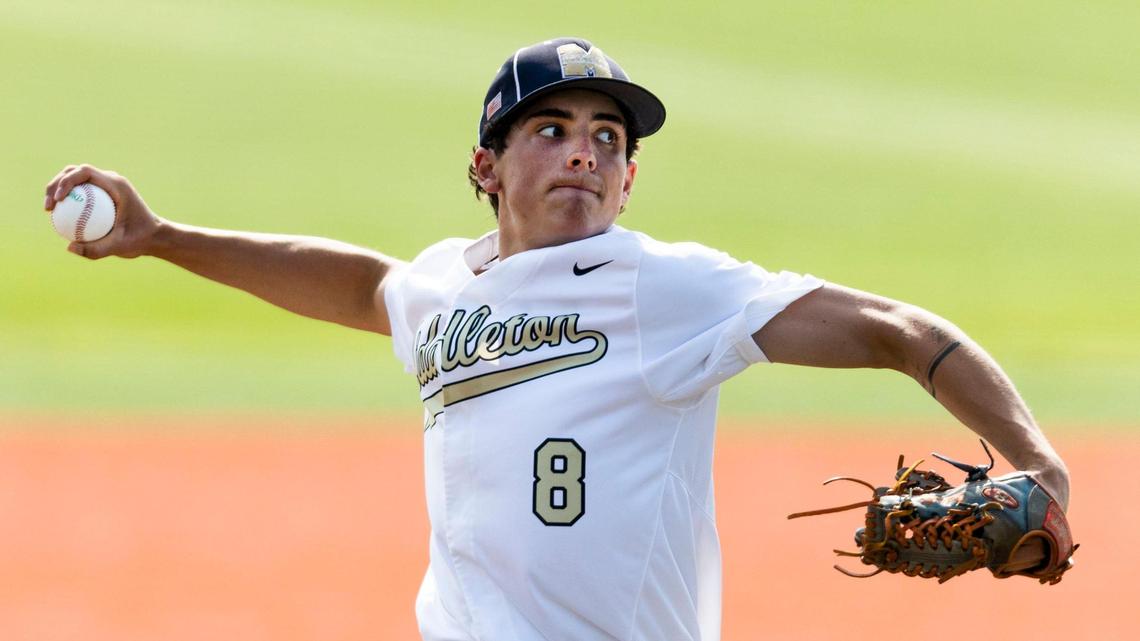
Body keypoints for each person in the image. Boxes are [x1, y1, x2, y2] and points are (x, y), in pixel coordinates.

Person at [44, 37, 1069, 641]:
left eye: (606, 139)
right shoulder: (447, 286)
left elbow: (904, 330)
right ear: (486, 166)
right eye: (551, 129)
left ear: (630, 179)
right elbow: (363, 284)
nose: (584, 151)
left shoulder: (664, 287)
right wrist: (163, 236)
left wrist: (1038, 461)